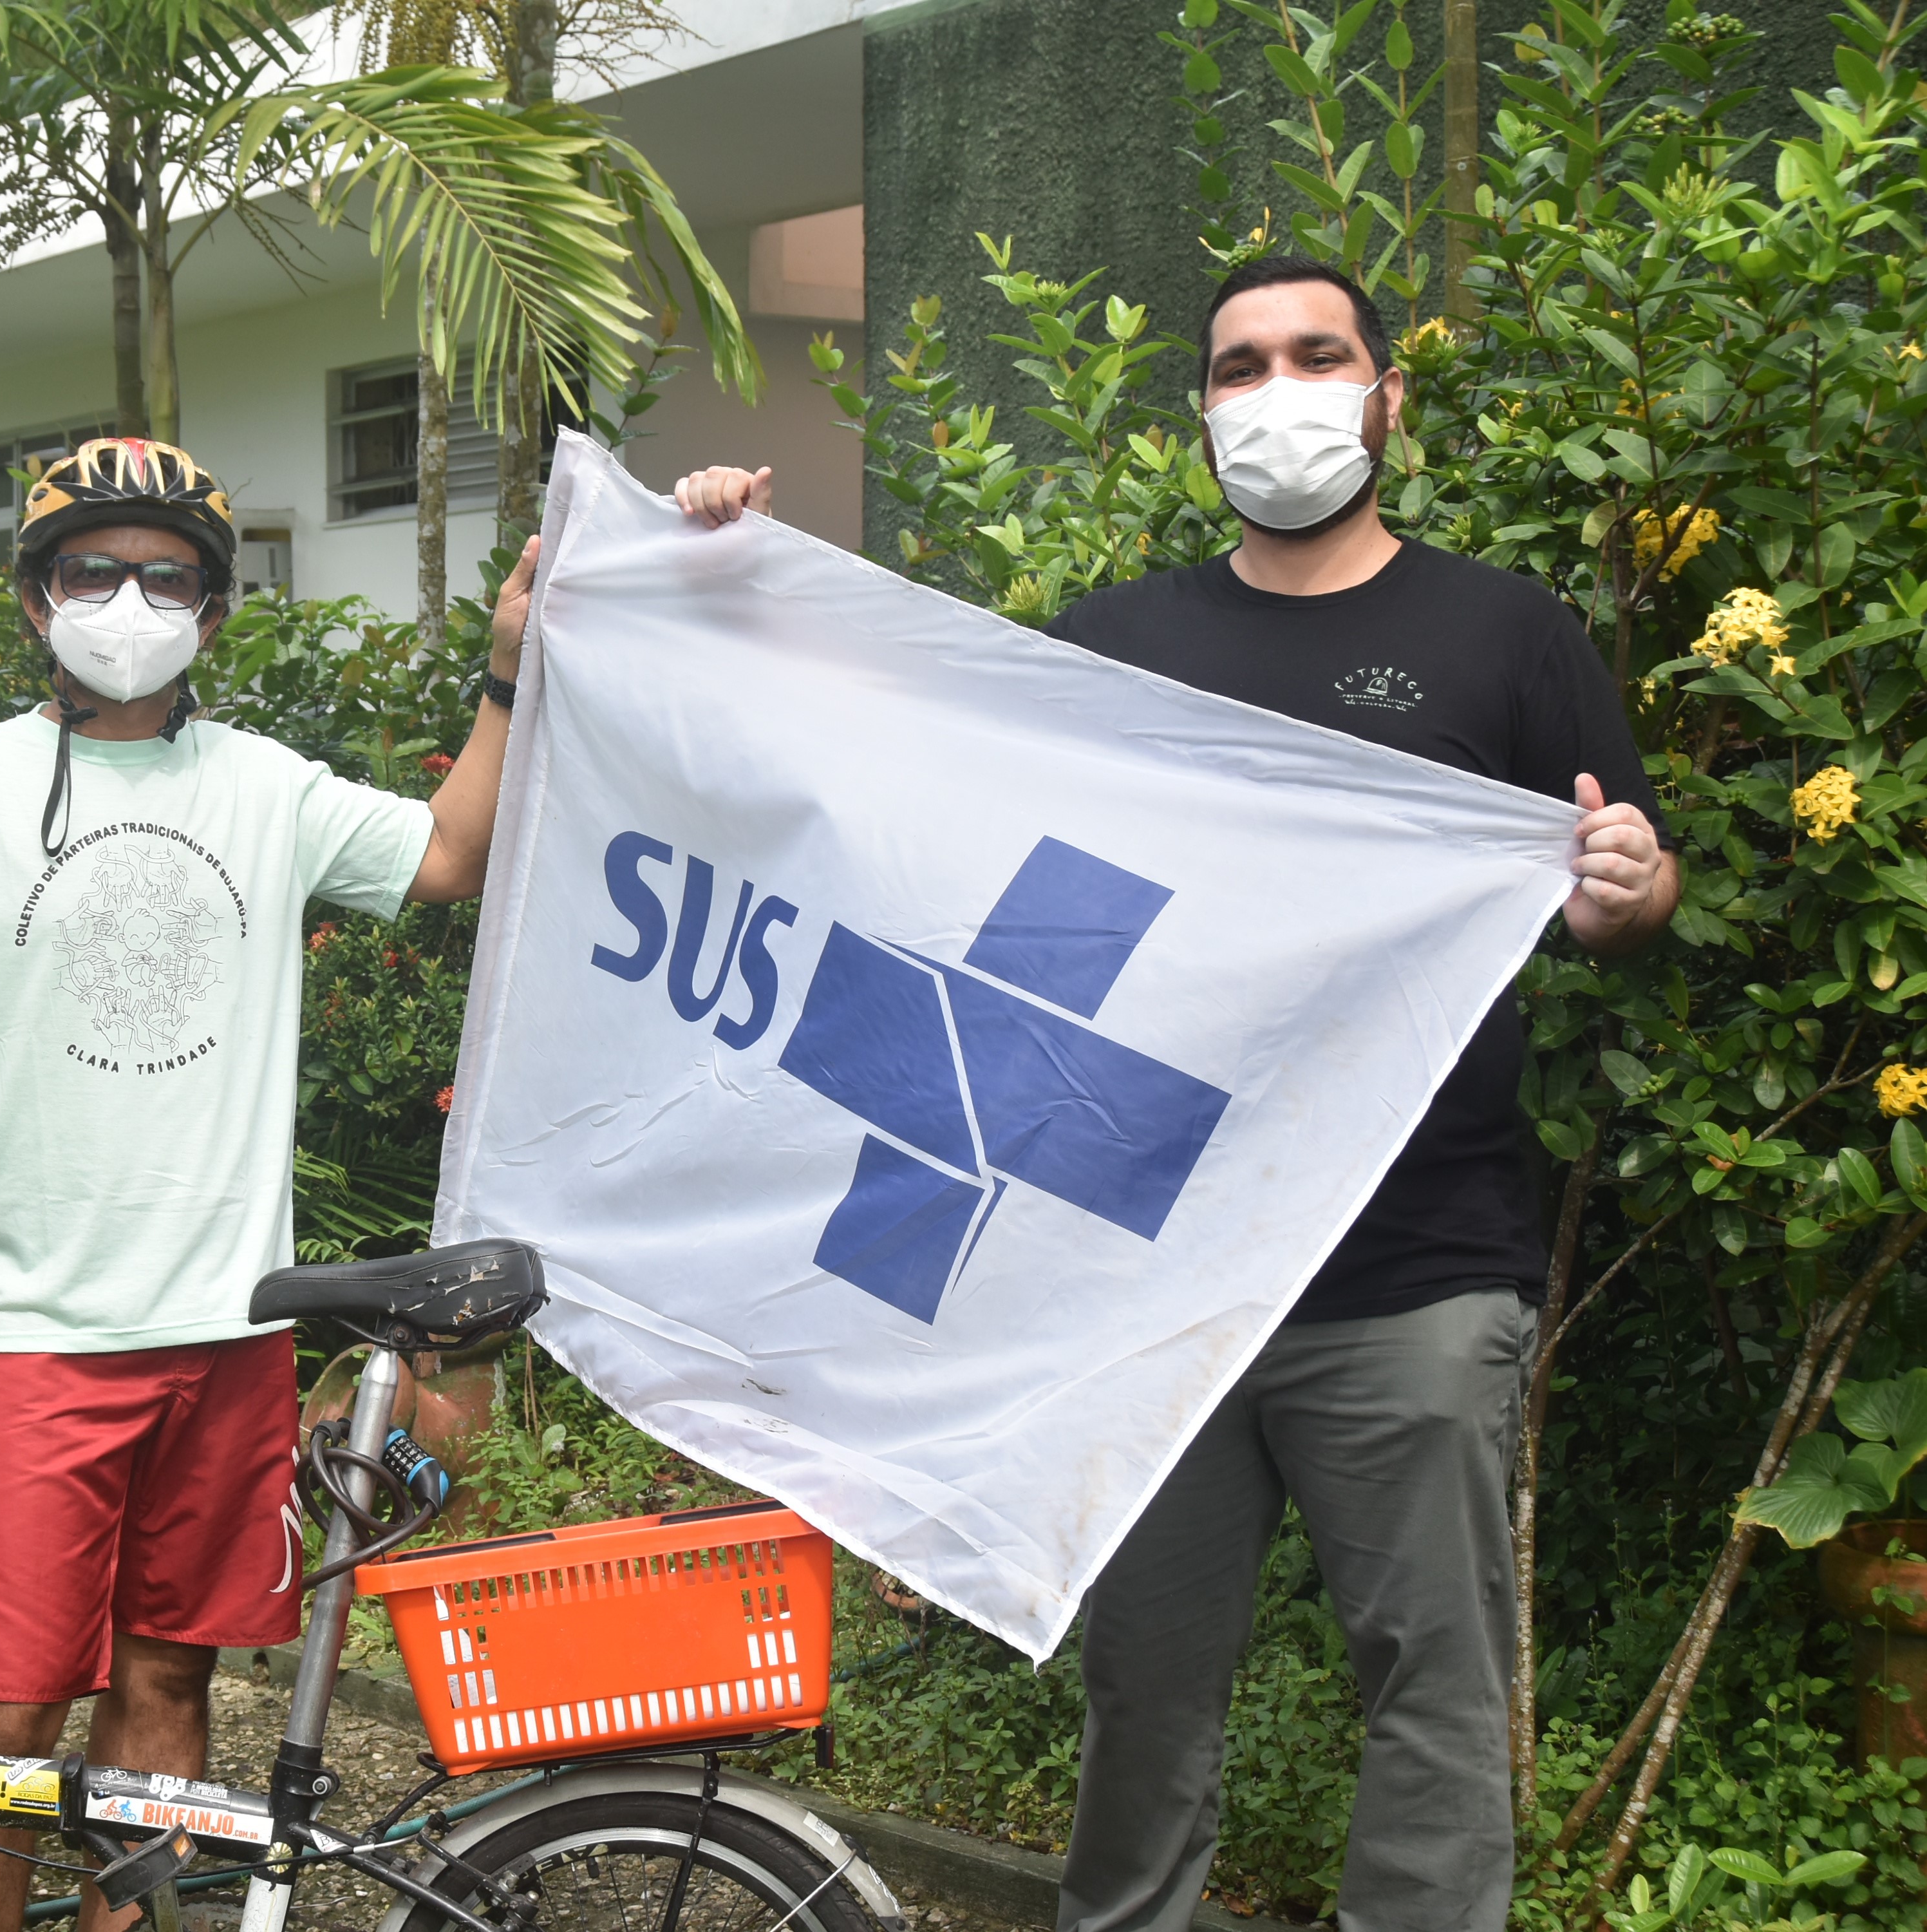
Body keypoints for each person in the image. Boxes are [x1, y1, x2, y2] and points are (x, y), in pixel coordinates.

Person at [680, 253, 1675, 1931]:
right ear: (1202, 412)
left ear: (1386, 396)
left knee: (1434, 1683)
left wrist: (1627, 892)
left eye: (1316, 354)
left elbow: (1623, 893)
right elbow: (933, 832)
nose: (1278, 390)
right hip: (1145, 1276)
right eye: (1239, 366)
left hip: (1413, 1268)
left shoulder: (1507, 635)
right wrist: (733, 598)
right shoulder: (1113, 650)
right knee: (1143, 1689)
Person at [0, 437, 536, 1932]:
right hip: (37, 1334)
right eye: (92, 572)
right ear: (34, 598)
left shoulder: (266, 787)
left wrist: (507, 667)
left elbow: (452, 853)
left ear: (211, 610)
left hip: (229, 1331)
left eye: (167, 578)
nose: (127, 601)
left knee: (168, 1684)